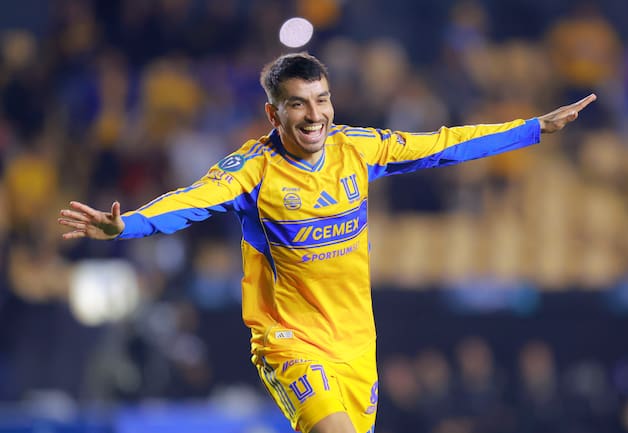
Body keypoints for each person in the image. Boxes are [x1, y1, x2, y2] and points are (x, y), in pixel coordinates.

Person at [58, 52, 596, 433]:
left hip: (357, 345)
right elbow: (189, 200)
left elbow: (442, 145)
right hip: (290, 341)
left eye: (321, 100)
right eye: (298, 104)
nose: (315, 115)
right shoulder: (252, 172)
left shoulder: (356, 149)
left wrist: (533, 128)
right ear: (274, 114)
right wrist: (127, 226)